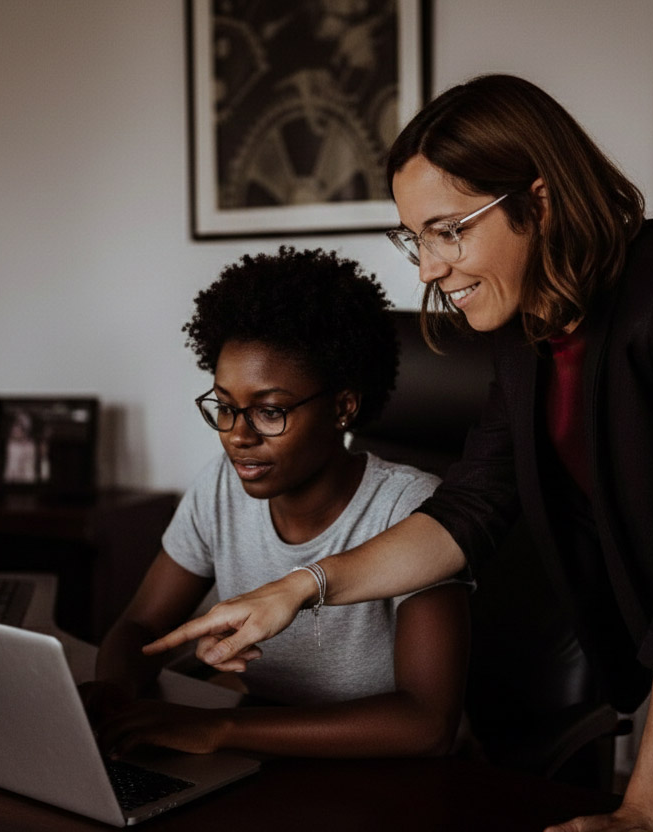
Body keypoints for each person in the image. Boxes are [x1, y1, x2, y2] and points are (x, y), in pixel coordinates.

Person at [145, 75, 653, 831]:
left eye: (448, 230)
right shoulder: (535, 333)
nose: (428, 269)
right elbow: (470, 508)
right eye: (414, 238)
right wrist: (301, 588)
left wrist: (645, 810)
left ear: (540, 202)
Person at [89, 246, 471, 760]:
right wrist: (112, 698)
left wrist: (220, 729)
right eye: (225, 407)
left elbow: (425, 723)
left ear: (342, 408)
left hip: (393, 781)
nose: (237, 436)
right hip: (274, 759)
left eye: (269, 412)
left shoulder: (409, 509)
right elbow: (141, 625)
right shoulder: (221, 489)